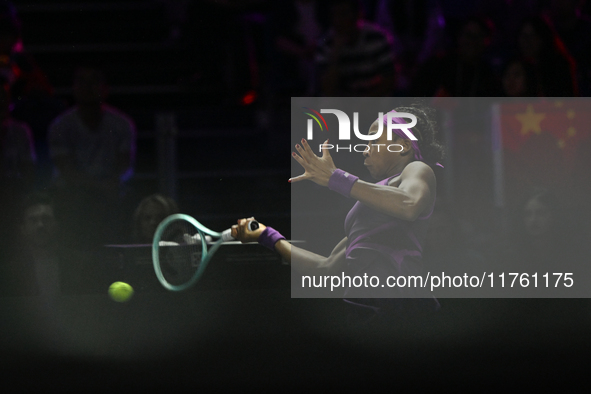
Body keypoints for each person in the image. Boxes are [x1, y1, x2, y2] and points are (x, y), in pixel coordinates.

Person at [232, 104, 445, 325]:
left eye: (373, 141)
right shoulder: (370, 210)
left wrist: (336, 178)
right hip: (365, 313)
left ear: (402, 146)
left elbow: (408, 204)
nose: (365, 150)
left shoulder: (418, 169)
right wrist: (268, 236)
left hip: (405, 313)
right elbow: (326, 268)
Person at [48, 66, 136, 247]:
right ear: (74, 88)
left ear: (105, 88)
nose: (88, 87)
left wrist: (110, 184)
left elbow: (125, 165)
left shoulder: (121, 124)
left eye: (94, 82)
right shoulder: (61, 126)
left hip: (110, 195)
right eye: (82, 82)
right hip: (74, 196)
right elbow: (66, 170)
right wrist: (97, 186)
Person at [315, 0, 395, 96]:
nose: (337, 21)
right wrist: (335, 54)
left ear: (358, 15)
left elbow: (389, 79)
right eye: (334, 15)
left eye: (343, 14)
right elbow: (328, 89)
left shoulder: (376, 38)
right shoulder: (326, 44)